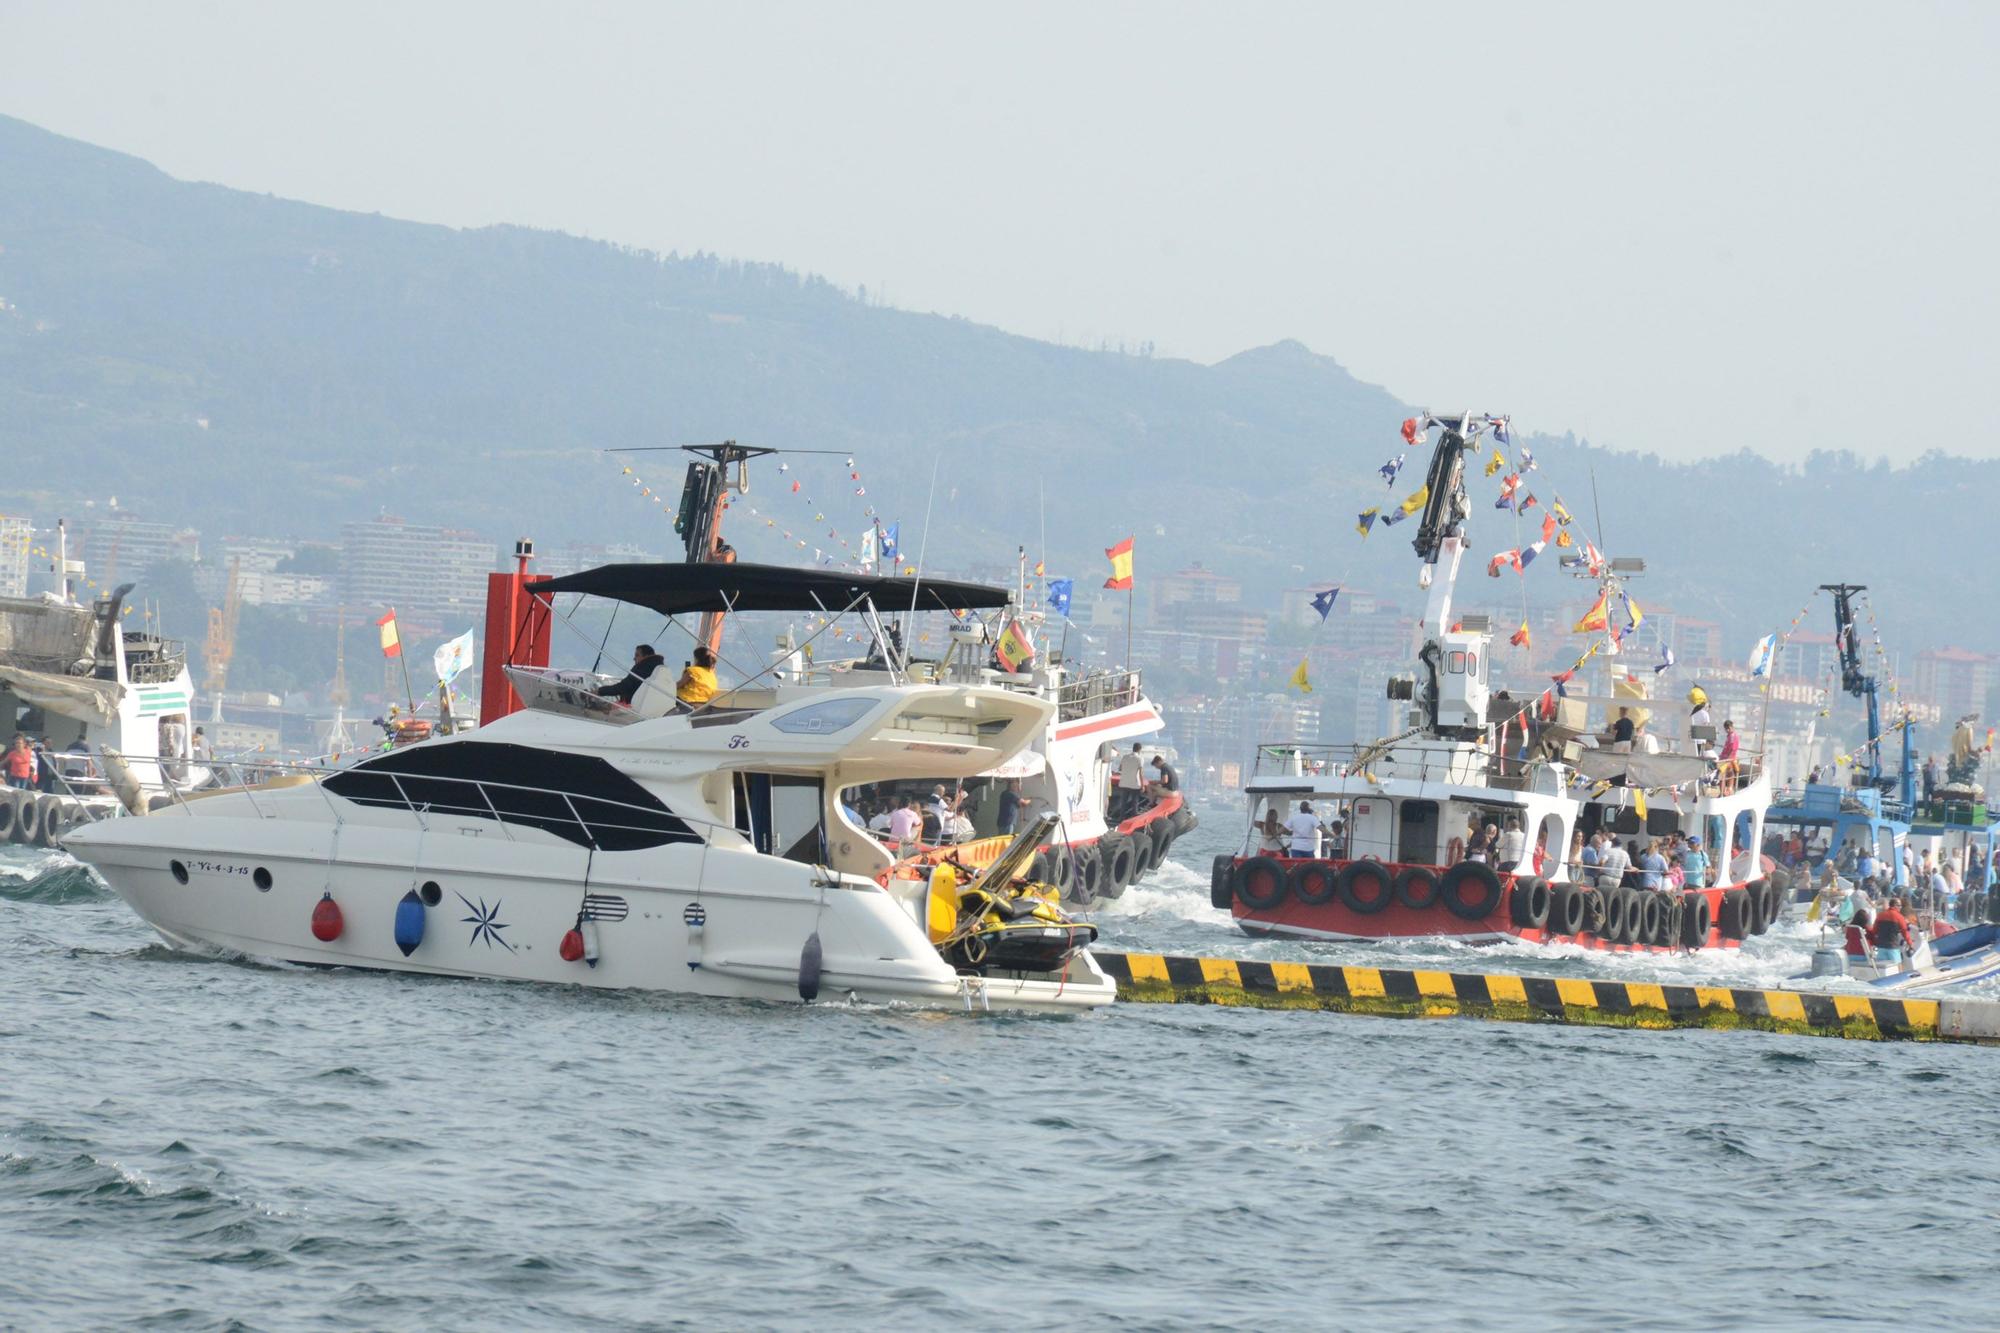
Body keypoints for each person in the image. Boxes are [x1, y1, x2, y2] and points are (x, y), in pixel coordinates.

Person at [597, 643, 668, 705]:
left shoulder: (642, 667)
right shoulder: (658, 670)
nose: (634, 658)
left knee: (594, 706)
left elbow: (622, 687)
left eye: (637, 655)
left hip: (630, 709)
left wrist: (600, 691)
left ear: (646, 656)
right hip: (648, 707)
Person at [1872, 897, 1915, 963]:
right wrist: (1910, 944)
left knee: (1882, 969)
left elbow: (1874, 930)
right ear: (1895, 905)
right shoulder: (1899, 917)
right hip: (1892, 947)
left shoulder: (1880, 915)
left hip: (1881, 947)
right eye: (1899, 905)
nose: (1901, 907)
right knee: (1897, 967)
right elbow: (1905, 932)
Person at [1114, 744, 1146, 818]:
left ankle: (1121, 818)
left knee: (1123, 802)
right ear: (1140, 750)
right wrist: (1142, 785)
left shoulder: (1125, 757)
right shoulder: (1140, 758)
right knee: (1134, 803)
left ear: (1133, 748)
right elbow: (1141, 773)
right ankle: (1133, 818)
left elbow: (1120, 769)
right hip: (1134, 784)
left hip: (1124, 783)